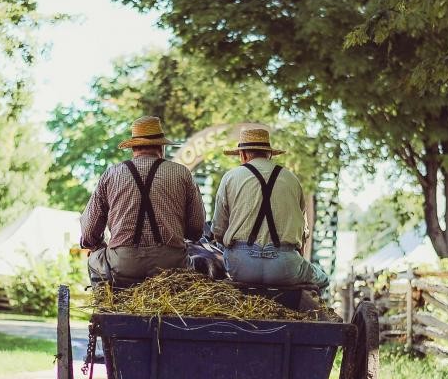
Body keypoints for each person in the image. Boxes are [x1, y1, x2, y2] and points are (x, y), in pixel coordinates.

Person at [80, 116, 205, 286]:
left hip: (123, 265)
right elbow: (196, 229)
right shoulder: (182, 173)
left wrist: (98, 246)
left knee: (94, 258)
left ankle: (106, 303)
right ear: (161, 146)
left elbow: (88, 233)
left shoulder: (112, 174)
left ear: (133, 147)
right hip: (171, 267)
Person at [211, 128, 328, 289]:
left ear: (243, 154)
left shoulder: (230, 177)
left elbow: (218, 230)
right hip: (285, 268)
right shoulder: (292, 179)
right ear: (270, 154)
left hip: (241, 267)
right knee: (323, 279)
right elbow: (302, 234)